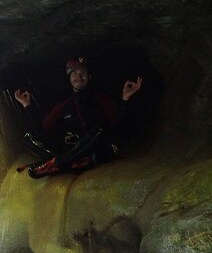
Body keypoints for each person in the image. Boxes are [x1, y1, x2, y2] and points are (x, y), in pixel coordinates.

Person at [13, 56, 143, 179]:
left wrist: (126, 99)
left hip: (98, 152)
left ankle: (59, 163)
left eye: (83, 73)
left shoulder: (100, 99)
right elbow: (41, 131)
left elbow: (118, 125)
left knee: (100, 130)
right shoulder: (64, 106)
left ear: (89, 77)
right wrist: (27, 105)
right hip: (74, 153)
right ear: (69, 78)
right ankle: (65, 162)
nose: (79, 77)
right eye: (74, 73)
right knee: (29, 139)